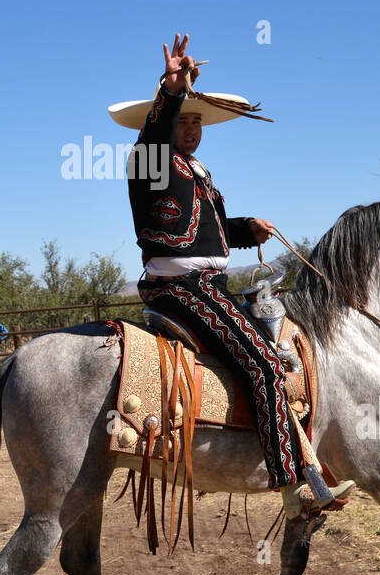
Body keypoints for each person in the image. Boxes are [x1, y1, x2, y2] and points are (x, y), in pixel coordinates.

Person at [109, 33, 352, 521]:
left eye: (198, 122)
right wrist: (172, 90)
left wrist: (246, 227)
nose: (193, 129)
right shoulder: (149, 161)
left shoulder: (196, 171)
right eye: (185, 120)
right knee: (265, 363)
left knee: (273, 341)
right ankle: (295, 485)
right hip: (180, 289)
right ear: (166, 122)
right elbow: (154, 135)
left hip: (209, 285)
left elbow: (208, 230)